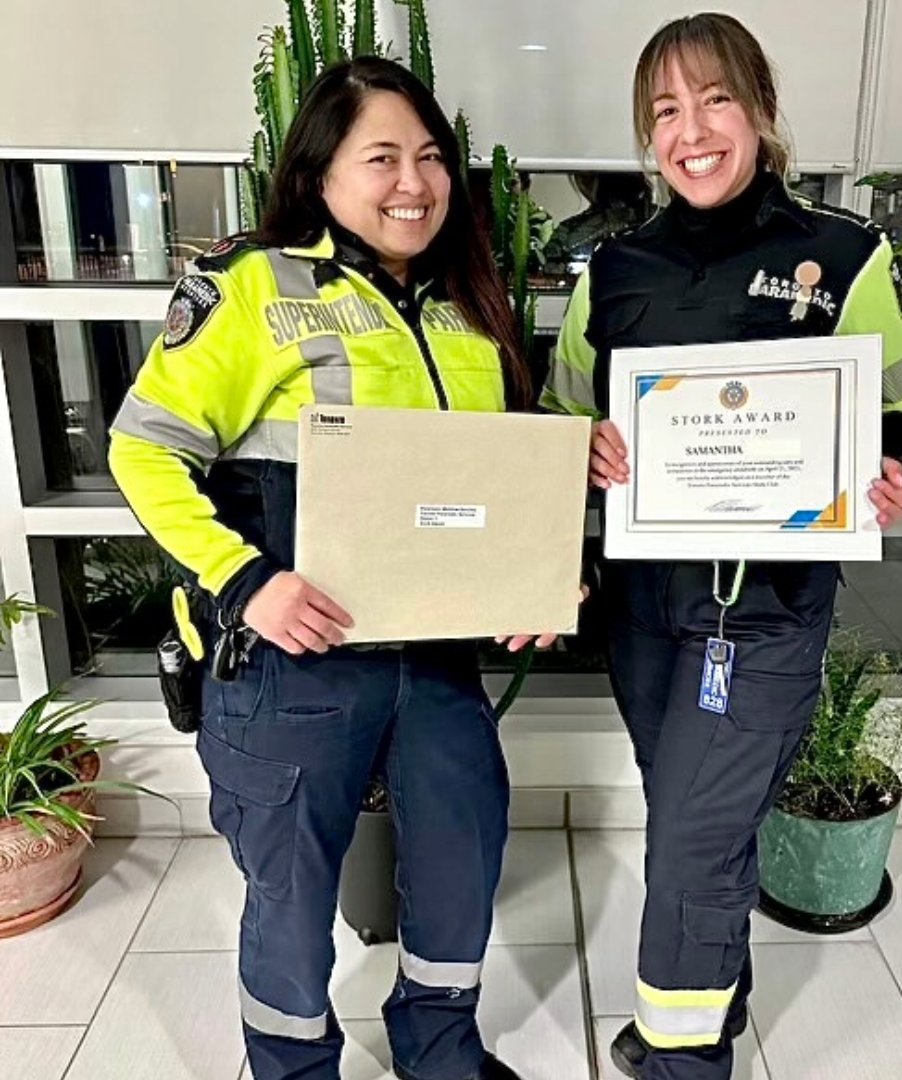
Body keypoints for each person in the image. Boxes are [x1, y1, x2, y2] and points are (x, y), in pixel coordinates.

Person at [109, 57, 553, 1080]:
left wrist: (534, 579)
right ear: (319, 176)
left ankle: (439, 1046)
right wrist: (249, 582)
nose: (415, 182)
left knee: (460, 863)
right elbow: (143, 449)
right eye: (383, 157)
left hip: (437, 664)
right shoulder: (253, 286)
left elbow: (489, 485)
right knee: (294, 897)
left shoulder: (466, 313)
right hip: (293, 667)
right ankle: (294, 1065)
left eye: (432, 158)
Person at [542, 14, 902, 1080]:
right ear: (646, 136)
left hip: (765, 612)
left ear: (759, 109)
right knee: (688, 819)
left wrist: (888, 472)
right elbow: (569, 420)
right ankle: (721, 999)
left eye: (713, 100)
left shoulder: (843, 255)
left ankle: (680, 1059)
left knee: (695, 847)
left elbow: (892, 415)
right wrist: (587, 452)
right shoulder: (611, 268)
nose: (691, 130)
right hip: (646, 611)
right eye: (666, 111)